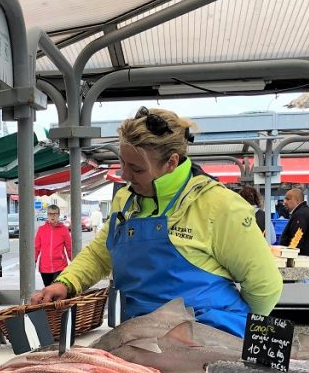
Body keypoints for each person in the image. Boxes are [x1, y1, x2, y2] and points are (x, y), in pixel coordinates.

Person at [29, 106, 282, 338]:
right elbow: (100, 255)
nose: (125, 176)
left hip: (208, 342)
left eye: (137, 169)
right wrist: (66, 282)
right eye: (123, 164)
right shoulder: (125, 201)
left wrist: (228, 335)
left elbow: (265, 286)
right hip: (138, 339)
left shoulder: (219, 205)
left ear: (171, 162)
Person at [34, 204, 72, 286]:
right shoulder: (41, 230)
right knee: (48, 291)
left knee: (56, 291)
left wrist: (74, 261)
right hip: (44, 268)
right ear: (47, 215)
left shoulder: (64, 230)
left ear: (58, 215)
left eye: (55, 214)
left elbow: (69, 248)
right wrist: (33, 261)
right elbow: (36, 248)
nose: (52, 216)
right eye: (50, 214)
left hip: (60, 266)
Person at [279, 187, 309, 258]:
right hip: (303, 257)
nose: (284, 202)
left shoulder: (300, 215)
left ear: (297, 201)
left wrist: (289, 257)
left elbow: (296, 240)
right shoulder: (302, 212)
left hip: (301, 259)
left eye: (288, 199)